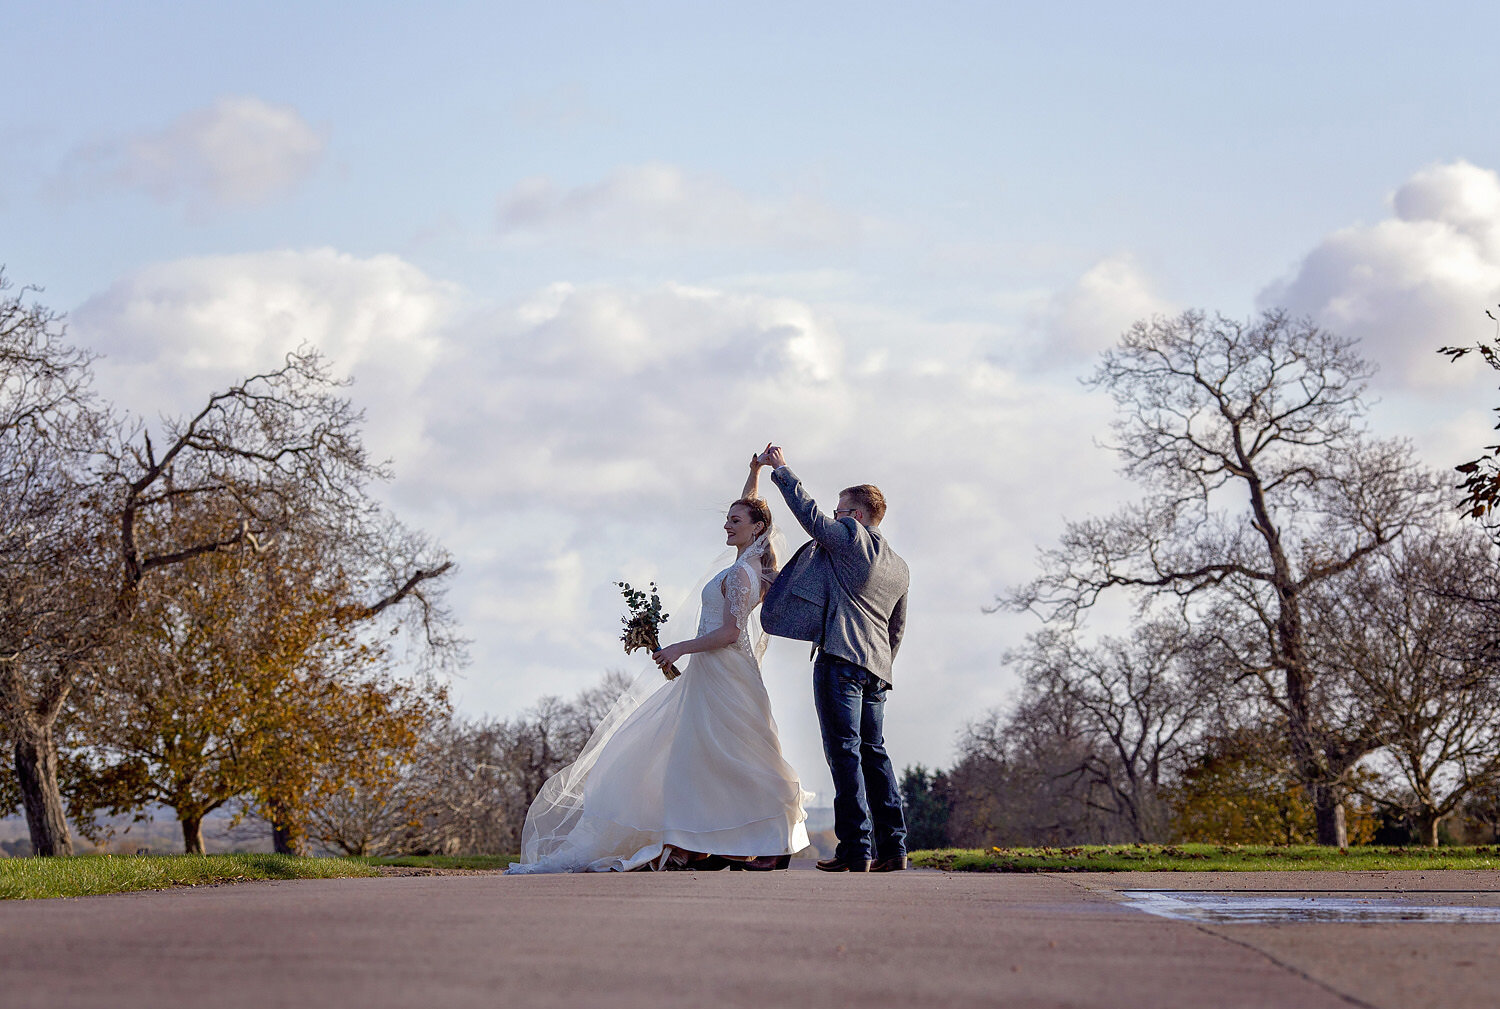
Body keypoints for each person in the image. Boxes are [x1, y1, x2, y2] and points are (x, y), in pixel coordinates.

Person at [506, 456, 809, 873]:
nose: (726, 525)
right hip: (714, 674)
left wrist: (678, 648)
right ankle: (692, 840)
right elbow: (750, 508)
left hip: (726, 674)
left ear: (756, 527)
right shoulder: (748, 563)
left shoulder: (742, 574)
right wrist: (755, 473)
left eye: (734, 520)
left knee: (736, 756)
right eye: (726, 519)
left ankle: (767, 842)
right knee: (697, 757)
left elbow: (729, 633)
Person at [757, 444, 910, 872]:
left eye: (841, 510)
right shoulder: (899, 565)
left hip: (840, 658)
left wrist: (781, 469)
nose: (835, 516)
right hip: (876, 669)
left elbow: (811, 517)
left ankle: (856, 850)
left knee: (844, 754)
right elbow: (896, 627)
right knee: (875, 754)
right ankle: (894, 848)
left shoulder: (850, 538)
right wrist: (883, 667)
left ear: (857, 517)